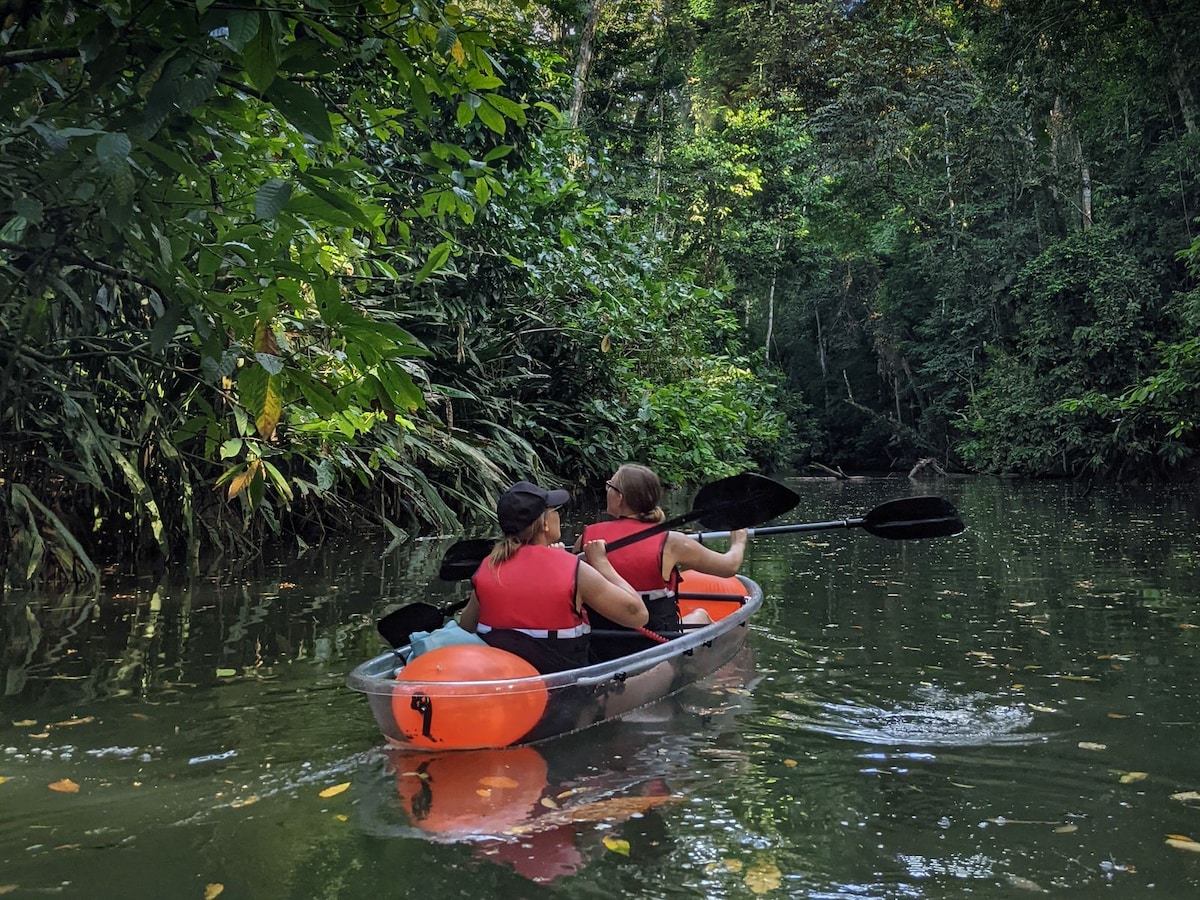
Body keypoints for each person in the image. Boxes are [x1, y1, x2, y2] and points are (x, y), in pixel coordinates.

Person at [459, 480, 648, 674]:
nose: (559, 514)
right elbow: (637, 615)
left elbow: (466, 626)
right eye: (555, 509)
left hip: (508, 686)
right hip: (568, 692)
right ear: (545, 524)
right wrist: (601, 563)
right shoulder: (573, 568)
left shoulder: (488, 566)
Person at [575, 464, 748, 633]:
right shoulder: (672, 542)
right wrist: (738, 541)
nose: (607, 490)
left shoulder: (587, 539)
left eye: (609, 486)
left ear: (619, 498)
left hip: (598, 643)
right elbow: (729, 566)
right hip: (656, 643)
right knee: (700, 616)